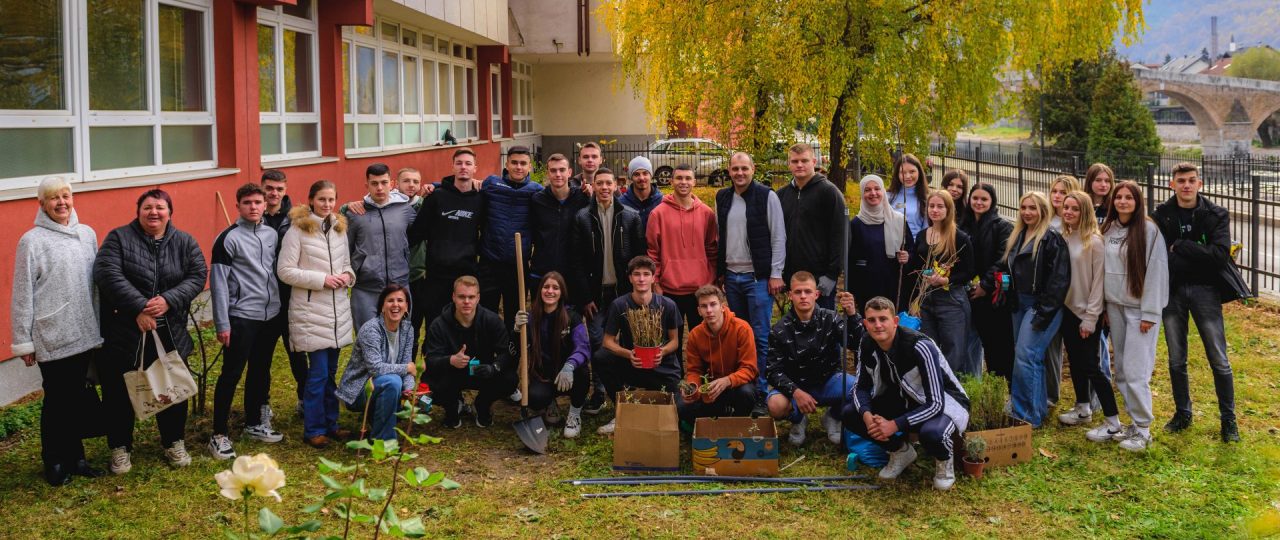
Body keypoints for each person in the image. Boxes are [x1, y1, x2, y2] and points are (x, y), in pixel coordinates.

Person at [94, 188, 207, 472]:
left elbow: (197, 275)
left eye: (160, 207)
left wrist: (169, 300)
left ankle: (173, 442)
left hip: (170, 329)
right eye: (147, 207)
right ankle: (120, 448)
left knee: (172, 388)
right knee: (118, 392)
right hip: (125, 332)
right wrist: (139, 309)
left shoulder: (184, 242)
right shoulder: (118, 238)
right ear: (138, 210)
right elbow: (107, 273)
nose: (153, 212)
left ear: (170, 212)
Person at [11, 177, 104, 485]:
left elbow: (95, 286)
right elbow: (22, 293)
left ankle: (76, 458)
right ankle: (54, 460)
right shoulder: (31, 241)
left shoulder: (87, 234)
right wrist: (23, 341)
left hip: (85, 332)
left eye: (66, 196)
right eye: (53, 198)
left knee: (78, 397)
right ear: (42, 204)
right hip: (53, 333)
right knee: (56, 400)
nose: (61, 202)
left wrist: (101, 325)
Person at [1152, 163, 1248, 443]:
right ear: (1172, 184)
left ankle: (1228, 420)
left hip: (1206, 290)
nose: (1186, 185)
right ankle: (1183, 413)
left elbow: (1219, 256)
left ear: (1200, 184)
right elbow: (1159, 257)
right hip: (1173, 290)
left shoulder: (1216, 214)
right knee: (1175, 357)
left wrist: (1181, 245)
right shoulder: (1162, 215)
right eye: (1181, 180)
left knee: (1218, 358)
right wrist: (1198, 253)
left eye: (1191, 180)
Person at [843, 296, 971, 491]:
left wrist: (894, 425)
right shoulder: (867, 343)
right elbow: (860, 387)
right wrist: (868, 417)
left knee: (933, 434)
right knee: (851, 413)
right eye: (872, 320)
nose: (878, 325)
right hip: (902, 399)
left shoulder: (920, 346)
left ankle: (944, 461)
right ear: (865, 323)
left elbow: (935, 403)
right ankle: (900, 451)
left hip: (944, 403)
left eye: (883, 319)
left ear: (895, 322)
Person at [277, 180, 357, 449]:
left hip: (336, 312)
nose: (327, 204)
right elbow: (285, 270)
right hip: (311, 312)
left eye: (331, 199)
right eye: (322, 199)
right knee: (318, 373)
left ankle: (332, 424)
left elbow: (346, 263)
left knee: (331, 372)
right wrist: (321, 279)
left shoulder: (338, 227)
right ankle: (313, 428)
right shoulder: (298, 230)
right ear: (311, 200)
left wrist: (348, 275)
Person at [208, 183, 285, 461]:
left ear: (266, 205)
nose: (254, 207)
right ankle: (218, 434)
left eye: (258, 202)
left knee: (260, 371)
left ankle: (254, 423)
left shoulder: (272, 235)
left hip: (270, 315)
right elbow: (218, 283)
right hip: (241, 317)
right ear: (238, 205)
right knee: (231, 374)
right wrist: (222, 323)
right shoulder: (228, 239)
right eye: (248, 202)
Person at [570, 168, 646, 415]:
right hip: (595, 294)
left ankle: (625, 388)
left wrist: (637, 291)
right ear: (594, 185)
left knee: (626, 340)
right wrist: (584, 298)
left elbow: (639, 257)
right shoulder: (582, 217)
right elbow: (577, 262)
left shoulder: (631, 217)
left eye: (608, 183)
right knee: (597, 342)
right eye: (599, 183)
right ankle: (600, 391)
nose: (604, 187)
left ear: (616, 185)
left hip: (623, 292)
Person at [1100, 181, 1169, 451]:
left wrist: (1151, 312)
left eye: (1129, 197)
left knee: (1137, 371)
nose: (1123, 201)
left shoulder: (1149, 230)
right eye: (1119, 197)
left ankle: (1144, 429)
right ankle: (1133, 423)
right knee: (1122, 372)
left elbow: (1157, 271)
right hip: (1115, 307)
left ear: (1138, 202)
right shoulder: (1108, 229)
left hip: (1140, 311)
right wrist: (1105, 307)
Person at [715, 152, 786, 414]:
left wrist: (776, 273)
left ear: (753, 169)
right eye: (735, 168)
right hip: (732, 278)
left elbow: (779, 236)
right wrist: (721, 271)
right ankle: (741, 389)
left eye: (744, 168)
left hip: (758, 279)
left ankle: (760, 392)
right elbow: (721, 236)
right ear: (729, 171)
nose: (740, 173)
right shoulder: (722, 197)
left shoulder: (767, 196)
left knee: (760, 336)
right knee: (737, 336)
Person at [1054, 192, 1121, 438]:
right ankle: (1082, 408)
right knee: (1076, 362)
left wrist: (1091, 318)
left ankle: (1113, 421)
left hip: (1085, 312)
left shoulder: (1093, 242)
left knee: (1093, 366)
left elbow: (1098, 283)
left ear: (1085, 212)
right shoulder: (1064, 236)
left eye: (1075, 209)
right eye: (1066, 208)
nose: (1069, 212)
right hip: (1067, 309)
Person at [593, 256, 683, 435]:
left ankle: (652, 403)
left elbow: (675, 342)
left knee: (679, 412)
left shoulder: (668, 305)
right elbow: (607, 341)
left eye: (646, 274)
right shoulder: (619, 305)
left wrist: (661, 352)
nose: (641, 279)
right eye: (636, 274)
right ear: (630, 278)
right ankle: (622, 410)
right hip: (633, 365)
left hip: (662, 368)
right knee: (600, 357)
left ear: (653, 278)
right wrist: (629, 354)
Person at [765, 272, 858, 446]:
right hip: (795, 386)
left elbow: (857, 342)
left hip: (828, 382)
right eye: (798, 292)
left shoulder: (831, 317)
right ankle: (798, 419)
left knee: (859, 389)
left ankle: (833, 417)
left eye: (808, 291)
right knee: (775, 405)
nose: (803, 296)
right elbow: (772, 371)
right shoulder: (779, 329)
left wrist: (852, 315)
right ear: (790, 295)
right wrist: (796, 392)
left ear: (816, 294)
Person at [1003, 192, 1070, 428]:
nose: (1027, 212)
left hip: (1041, 305)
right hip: (1018, 304)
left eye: (1033, 208)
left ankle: (1026, 415)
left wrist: (1044, 311)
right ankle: (1036, 409)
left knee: (1026, 357)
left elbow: (1059, 280)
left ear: (1043, 210)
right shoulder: (1017, 235)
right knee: (1028, 358)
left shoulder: (1051, 239)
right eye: (1023, 207)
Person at [424, 276, 517, 428]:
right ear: (454, 297)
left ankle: (482, 405)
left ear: (478, 298)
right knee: (429, 381)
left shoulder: (492, 320)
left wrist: (494, 367)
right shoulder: (439, 324)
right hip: (453, 373)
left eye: (471, 297)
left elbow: (505, 353)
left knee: (510, 379)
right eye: (462, 297)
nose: (466, 301)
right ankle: (453, 406)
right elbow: (430, 359)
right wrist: (450, 360)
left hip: (482, 372)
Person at [408, 148, 486, 330]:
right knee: (435, 325)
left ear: (475, 168)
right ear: (452, 167)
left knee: (463, 325)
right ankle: (432, 358)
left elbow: (487, 232)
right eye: (459, 163)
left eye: (468, 163)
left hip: (466, 273)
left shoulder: (481, 199)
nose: (463, 167)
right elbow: (416, 234)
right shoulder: (436, 197)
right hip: (437, 274)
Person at [513, 272, 591, 438]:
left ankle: (574, 414)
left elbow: (583, 348)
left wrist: (570, 365)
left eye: (555, 288)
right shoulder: (530, 318)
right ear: (540, 290)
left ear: (561, 292)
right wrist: (517, 330)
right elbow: (516, 349)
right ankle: (550, 403)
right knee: (534, 397)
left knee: (583, 372)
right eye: (546, 287)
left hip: (568, 374)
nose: (550, 291)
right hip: (544, 375)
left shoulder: (572, 317)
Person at [336, 284, 417, 442]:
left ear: (407, 306)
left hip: (385, 385)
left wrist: (410, 391)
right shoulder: (371, 329)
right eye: (390, 300)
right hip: (358, 391)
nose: (395, 305)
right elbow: (376, 368)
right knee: (392, 381)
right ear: (382, 306)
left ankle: (379, 426)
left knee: (399, 385)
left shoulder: (408, 329)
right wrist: (406, 368)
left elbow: (408, 367)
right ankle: (384, 441)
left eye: (400, 300)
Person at [259, 169, 310, 413]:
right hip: (263, 298)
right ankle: (263, 403)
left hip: (291, 296)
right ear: (262, 188)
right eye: (269, 188)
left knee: (297, 351)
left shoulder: (297, 218)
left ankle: (304, 399)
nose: (274, 193)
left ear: (285, 190)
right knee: (262, 355)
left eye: (279, 189)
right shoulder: (254, 216)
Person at [647, 164, 718, 336]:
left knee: (702, 338)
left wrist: (713, 279)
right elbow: (653, 252)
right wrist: (655, 283)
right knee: (672, 340)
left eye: (687, 178)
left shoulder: (706, 213)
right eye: (679, 178)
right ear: (671, 181)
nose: (683, 182)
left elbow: (712, 249)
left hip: (700, 288)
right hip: (670, 288)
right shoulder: (658, 214)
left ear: (694, 181)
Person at [343, 163, 416, 330]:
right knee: (368, 339)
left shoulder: (406, 210)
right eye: (374, 183)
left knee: (399, 338)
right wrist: (346, 206)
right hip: (366, 288)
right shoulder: (354, 214)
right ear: (366, 185)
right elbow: (345, 249)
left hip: (399, 286)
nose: (380, 188)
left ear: (391, 184)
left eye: (384, 182)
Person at [911, 190, 976, 377]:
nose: (935, 210)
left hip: (951, 300)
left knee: (953, 350)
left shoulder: (960, 238)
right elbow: (918, 265)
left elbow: (968, 271)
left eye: (940, 206)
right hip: (926, 299)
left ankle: (952, 392)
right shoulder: (923, 235)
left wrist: (947, 279)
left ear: (949, 209)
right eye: (932, 206)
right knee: (929, 347)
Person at [776, 143, 847, 309]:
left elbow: (841, 235)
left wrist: (831, 275)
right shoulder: (781, 195)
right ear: (789, 164)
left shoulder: (829, 192)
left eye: (804, 160)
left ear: (814, 161)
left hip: (821, 279)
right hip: (792, 278)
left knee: (823, 327)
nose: (799, 165)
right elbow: (777, 236)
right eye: (794, 161)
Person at [479, 146, 543, 327]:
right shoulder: (491, 184)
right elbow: (464, 186)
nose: (518, 167)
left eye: (523, 163)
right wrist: (434, 186)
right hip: (489, 262)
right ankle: (488, 353)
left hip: (517, 265)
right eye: (514, 162)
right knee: (487, 313)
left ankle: (512, 353)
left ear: (530, 167)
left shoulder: (536, 191)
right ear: (506, 164)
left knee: (515, 316)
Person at [679, 285, 759, 424]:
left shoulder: (742, 328)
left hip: (736, 386)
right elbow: (694, 370)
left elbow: (749, 368)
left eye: (713, 304)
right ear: (699, 311)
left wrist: (727, 380)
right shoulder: (695, 335)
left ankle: (737, 422)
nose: (709, 310)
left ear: (722, 306)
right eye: (704, 306)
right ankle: (718, 416)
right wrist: (692, 388)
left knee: (746, 393)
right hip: (710, 389)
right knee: (682, 407)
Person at [963, 183, 1014, 382]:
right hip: (968, 293)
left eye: (984, 199)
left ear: (992, 201)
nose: (979, 202)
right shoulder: (962, 224)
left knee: (997, 348)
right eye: (975, 198)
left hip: (993, 296)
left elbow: (1003, 259)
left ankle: (1002, 389)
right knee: (969, 345)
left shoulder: (1002, 226)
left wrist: (985, 285)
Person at [849, 174, 913, 311]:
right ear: (862, 193)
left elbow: (911, 250)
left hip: (894, 287)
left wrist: (907, 256)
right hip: (867, 288)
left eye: (877, 189)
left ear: (883, 191)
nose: (873, 193)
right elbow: (851, 261)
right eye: (867, 190)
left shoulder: (899, 220)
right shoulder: (856, 225)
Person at [530, 153, 591, 282]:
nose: (558, 174)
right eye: (553, 170)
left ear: (569, 172)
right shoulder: (537, 200)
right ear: (548, 173)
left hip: (573, 274)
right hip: (542, 272)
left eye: (562, 170)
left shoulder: (582, 198)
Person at [887, 153, 930, 238]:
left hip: (914, 248)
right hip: (890, 246)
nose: (907, 176)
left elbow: (926, 230)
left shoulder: (926, 198)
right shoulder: (888, 196)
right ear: (897, 174)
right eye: (903, 172)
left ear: (919, 172)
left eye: (912, 172)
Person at [619, 156, 664, 235]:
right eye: (636, 174)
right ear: (631, 178)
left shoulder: (662, 202)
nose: (642, 178)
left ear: (651, 175)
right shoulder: (621, 203)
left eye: (645, 173)